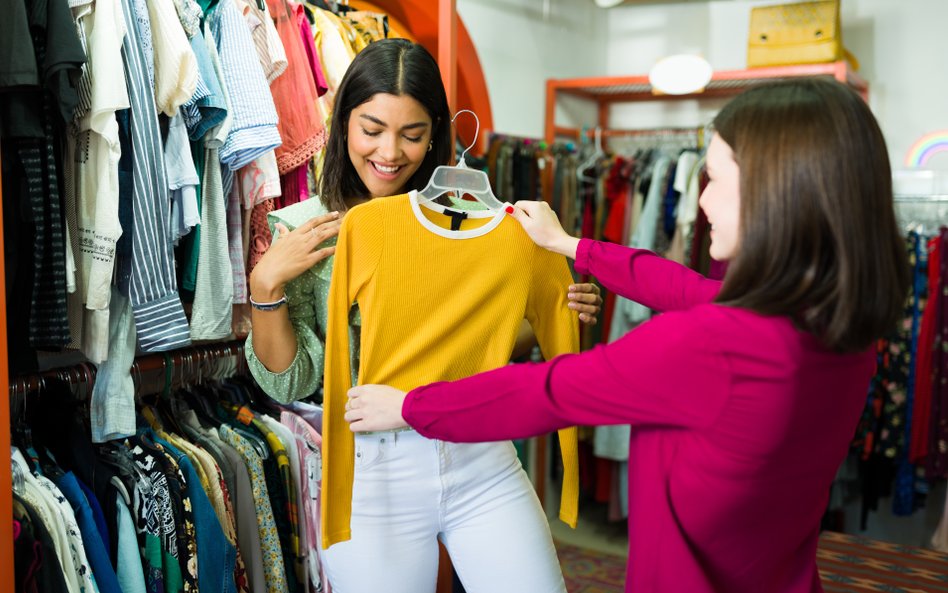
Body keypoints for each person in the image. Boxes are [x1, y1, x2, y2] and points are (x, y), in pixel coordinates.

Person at [344, 78, 911, 593]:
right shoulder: (837, 328)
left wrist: (412, 406)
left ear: (780, 193)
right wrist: (573, 246)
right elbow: (683, 285)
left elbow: (548, 391)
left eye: (717, 179)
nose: (702, 201)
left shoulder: (714, 346)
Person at [246, 38, 601, 592]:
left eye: (412, 135)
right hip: (374, 469)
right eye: (372, 130)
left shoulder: (479, 222)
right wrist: (265, 283)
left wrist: (557, 314)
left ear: (435, 134)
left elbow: (494, 344)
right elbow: (294, 378)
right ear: (342, 126)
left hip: (480, 449)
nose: (390, 152)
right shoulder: (307, 230)